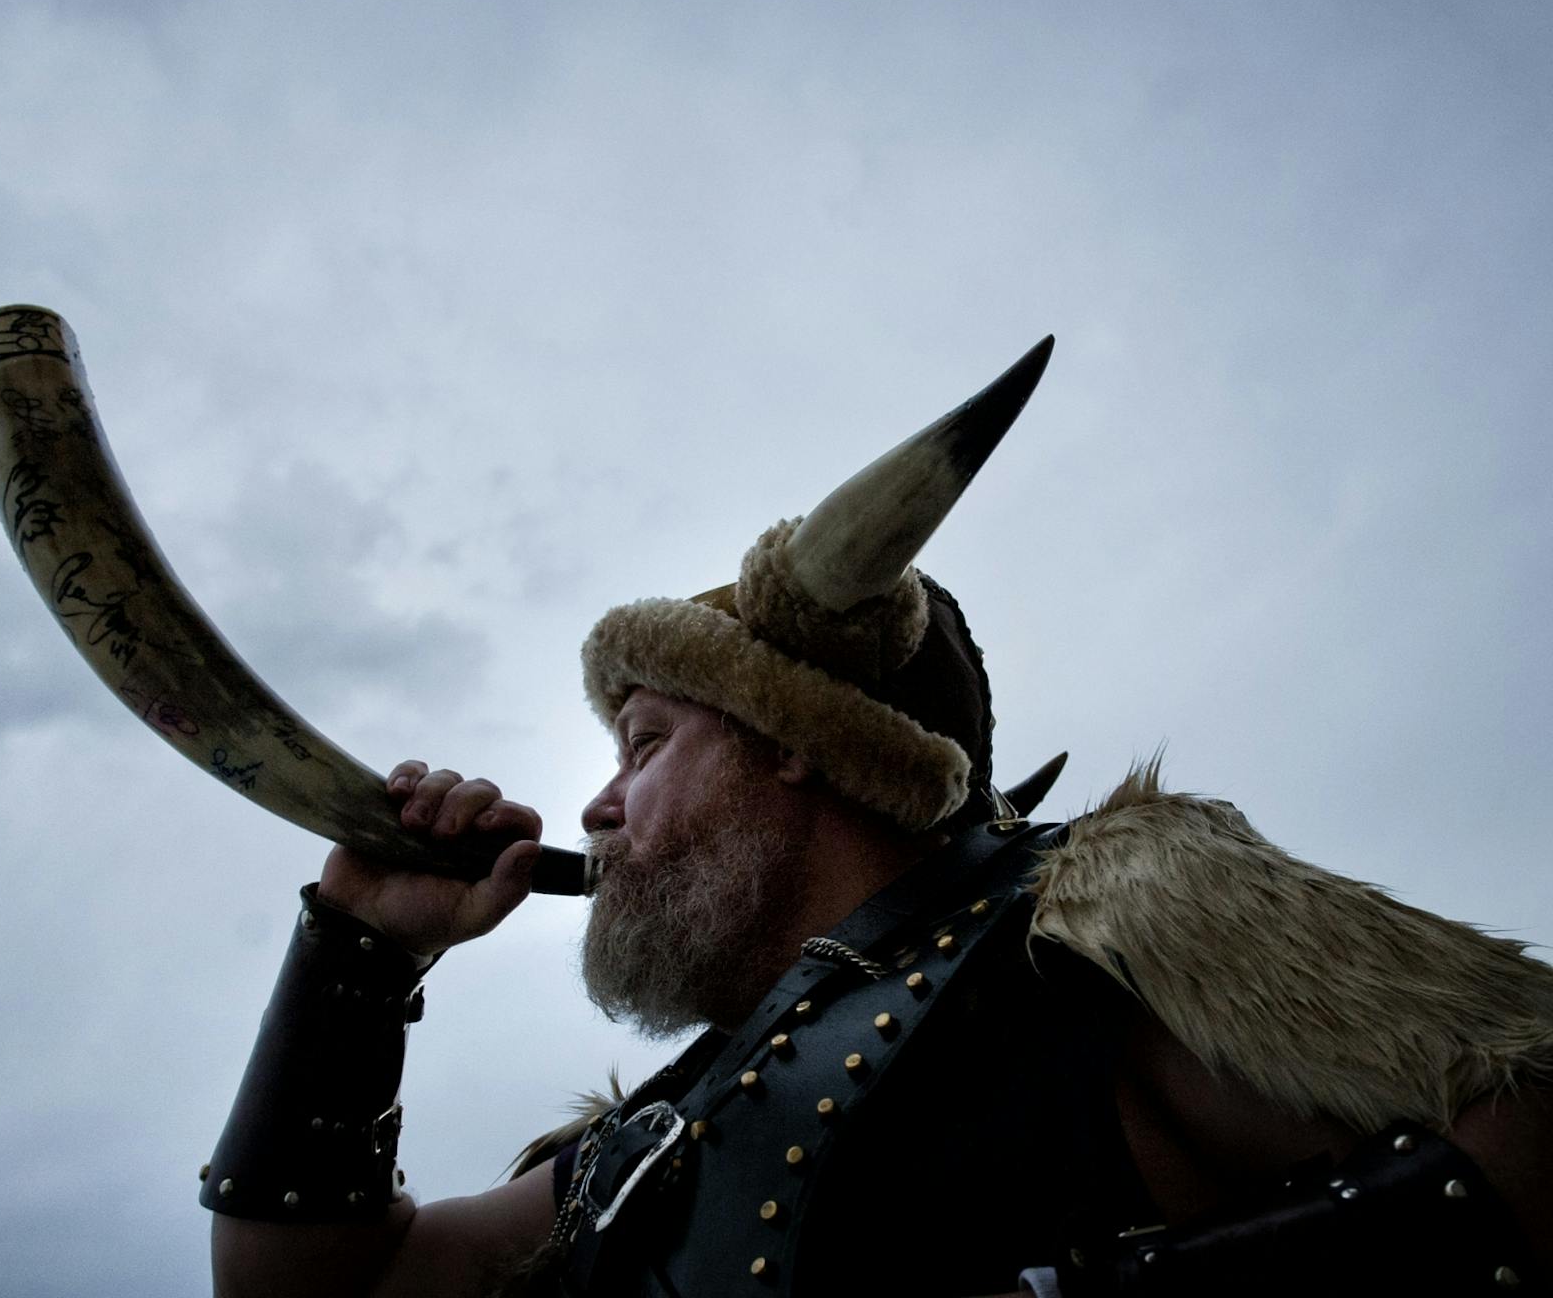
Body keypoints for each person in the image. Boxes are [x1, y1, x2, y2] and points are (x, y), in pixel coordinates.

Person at [200, 340, 1553, 1297]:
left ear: (796, 746)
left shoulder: (1103, 914)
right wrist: (360, 954)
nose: (600, 807)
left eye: (647, 743)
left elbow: (1535, 1112)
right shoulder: (647, 1147)